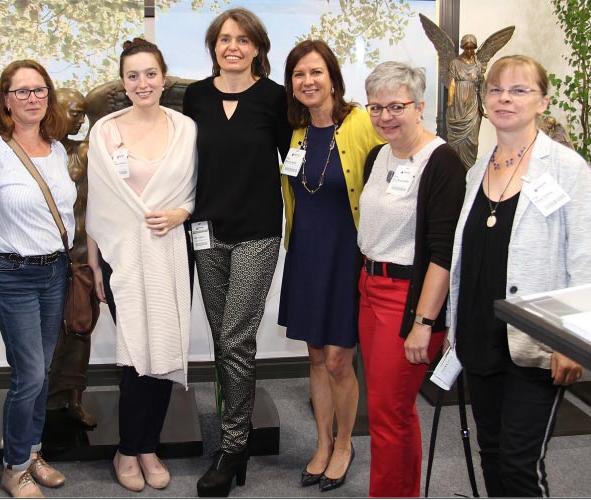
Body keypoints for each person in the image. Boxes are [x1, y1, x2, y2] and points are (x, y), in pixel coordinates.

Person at [447, 55, 591, 497]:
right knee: (491, 453)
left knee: (519, 464)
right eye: (495, 90)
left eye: (519, 90)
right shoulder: (478, 170)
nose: (504, 99)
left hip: (536, 342)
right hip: (479, 334)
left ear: (543, 101)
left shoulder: (567, 168)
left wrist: (573, 341)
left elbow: (588, 260)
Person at [182, 7, 291, 497]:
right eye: (224, 39)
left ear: (257, 48)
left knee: (234, 338)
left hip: (256, 233)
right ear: (214, 47)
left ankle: (232, 445)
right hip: (206, 232)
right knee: (224, 338)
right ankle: (236, 438)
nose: (233, 47)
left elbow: (295, 163)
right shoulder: (197, 97)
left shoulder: (274, 99)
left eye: (243, 40)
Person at [85, 38, 197, 492]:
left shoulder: (186, 127)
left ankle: (148, 445)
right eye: (132, 75)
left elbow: (194, 189)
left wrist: (182, 213)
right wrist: (94, 267)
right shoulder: (105, 131)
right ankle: (127, 449)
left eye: (150, 74)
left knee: (166, 347)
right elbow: (100, 204)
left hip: (171, 250)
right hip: (121, 258)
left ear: (163, 78)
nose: (142, 83)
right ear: (123, 81)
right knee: (134, 354)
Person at [0, 59, 75, 498]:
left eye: (39, 90)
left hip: (54, 271)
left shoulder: (59, 149)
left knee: (43, 370)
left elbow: (63, 212)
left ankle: (32, 451)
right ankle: (13, 467)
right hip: (10, 273)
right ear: (6, 100)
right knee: (28, 373)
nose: (32, 98)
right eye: (22, 91)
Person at [357, 61, 466, 497]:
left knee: (389, 412)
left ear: (420, 106)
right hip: (369, 289)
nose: (385, 116)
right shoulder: (377, 154)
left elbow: (443, 252)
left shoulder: (442, 163)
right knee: (388, 409)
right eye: (376, 107)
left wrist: (424, 321)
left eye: (396, 106)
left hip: (407, 299)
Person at [279, 40, 382, 492]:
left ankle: (345, 444)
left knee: (341, 358)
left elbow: (388, 173)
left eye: (315, 72)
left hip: (347, 255)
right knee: (316, 356)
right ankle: (321, 444)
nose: (308, 81)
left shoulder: (359, 122)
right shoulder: (297, 135)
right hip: (307, 254)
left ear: (333, 78)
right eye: (299, 75)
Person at [45, 87, 96, 429]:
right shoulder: (33, 148)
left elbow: (109, 96)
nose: (80, 119)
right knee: (48, 335)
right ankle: (44, 402)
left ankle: (74, 399)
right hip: (45, 256)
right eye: (73, 112)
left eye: (83, 112)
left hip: (80, 255)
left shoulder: (87, 151)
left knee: (79, 331)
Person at [446, 35, 483, 168]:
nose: (469, 51)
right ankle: (455, 171)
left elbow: (481, 86)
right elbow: (451, 83)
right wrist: (450, 103)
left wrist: (483, 105)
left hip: (472, 105)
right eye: (466, 48)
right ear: (462, 47)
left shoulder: (478, 65)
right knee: (456, 142)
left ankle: (470, 171)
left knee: (473, 142)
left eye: (471, 48)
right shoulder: (455, 63)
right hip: (458, 105)